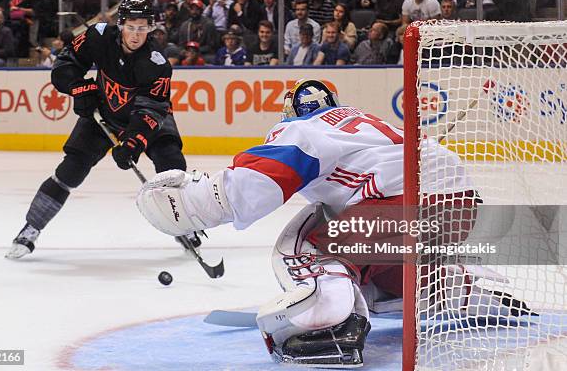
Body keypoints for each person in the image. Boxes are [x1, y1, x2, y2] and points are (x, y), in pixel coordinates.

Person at [135, 79, 475, 367]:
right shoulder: (365, 121)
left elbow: (255, 183)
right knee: (366, 260)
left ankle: (324, 324)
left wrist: (188, 204)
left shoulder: (304, 128)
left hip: (398, 210)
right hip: (460, 208)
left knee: (305, 244)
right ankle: (453, 286)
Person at [6, 0, 188, 259]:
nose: (136, 35)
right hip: (103, 112)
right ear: (121, 23)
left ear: (150, 28)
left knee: (172, 165)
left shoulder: (157, 64)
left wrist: (133, 142)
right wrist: (79, 88)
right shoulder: (98, 36)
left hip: (148, 118)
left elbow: (153, 110)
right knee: (70, 170)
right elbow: (64, 65)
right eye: (131, 27)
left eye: (142, 28)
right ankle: (31, 227)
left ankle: (186, 225)